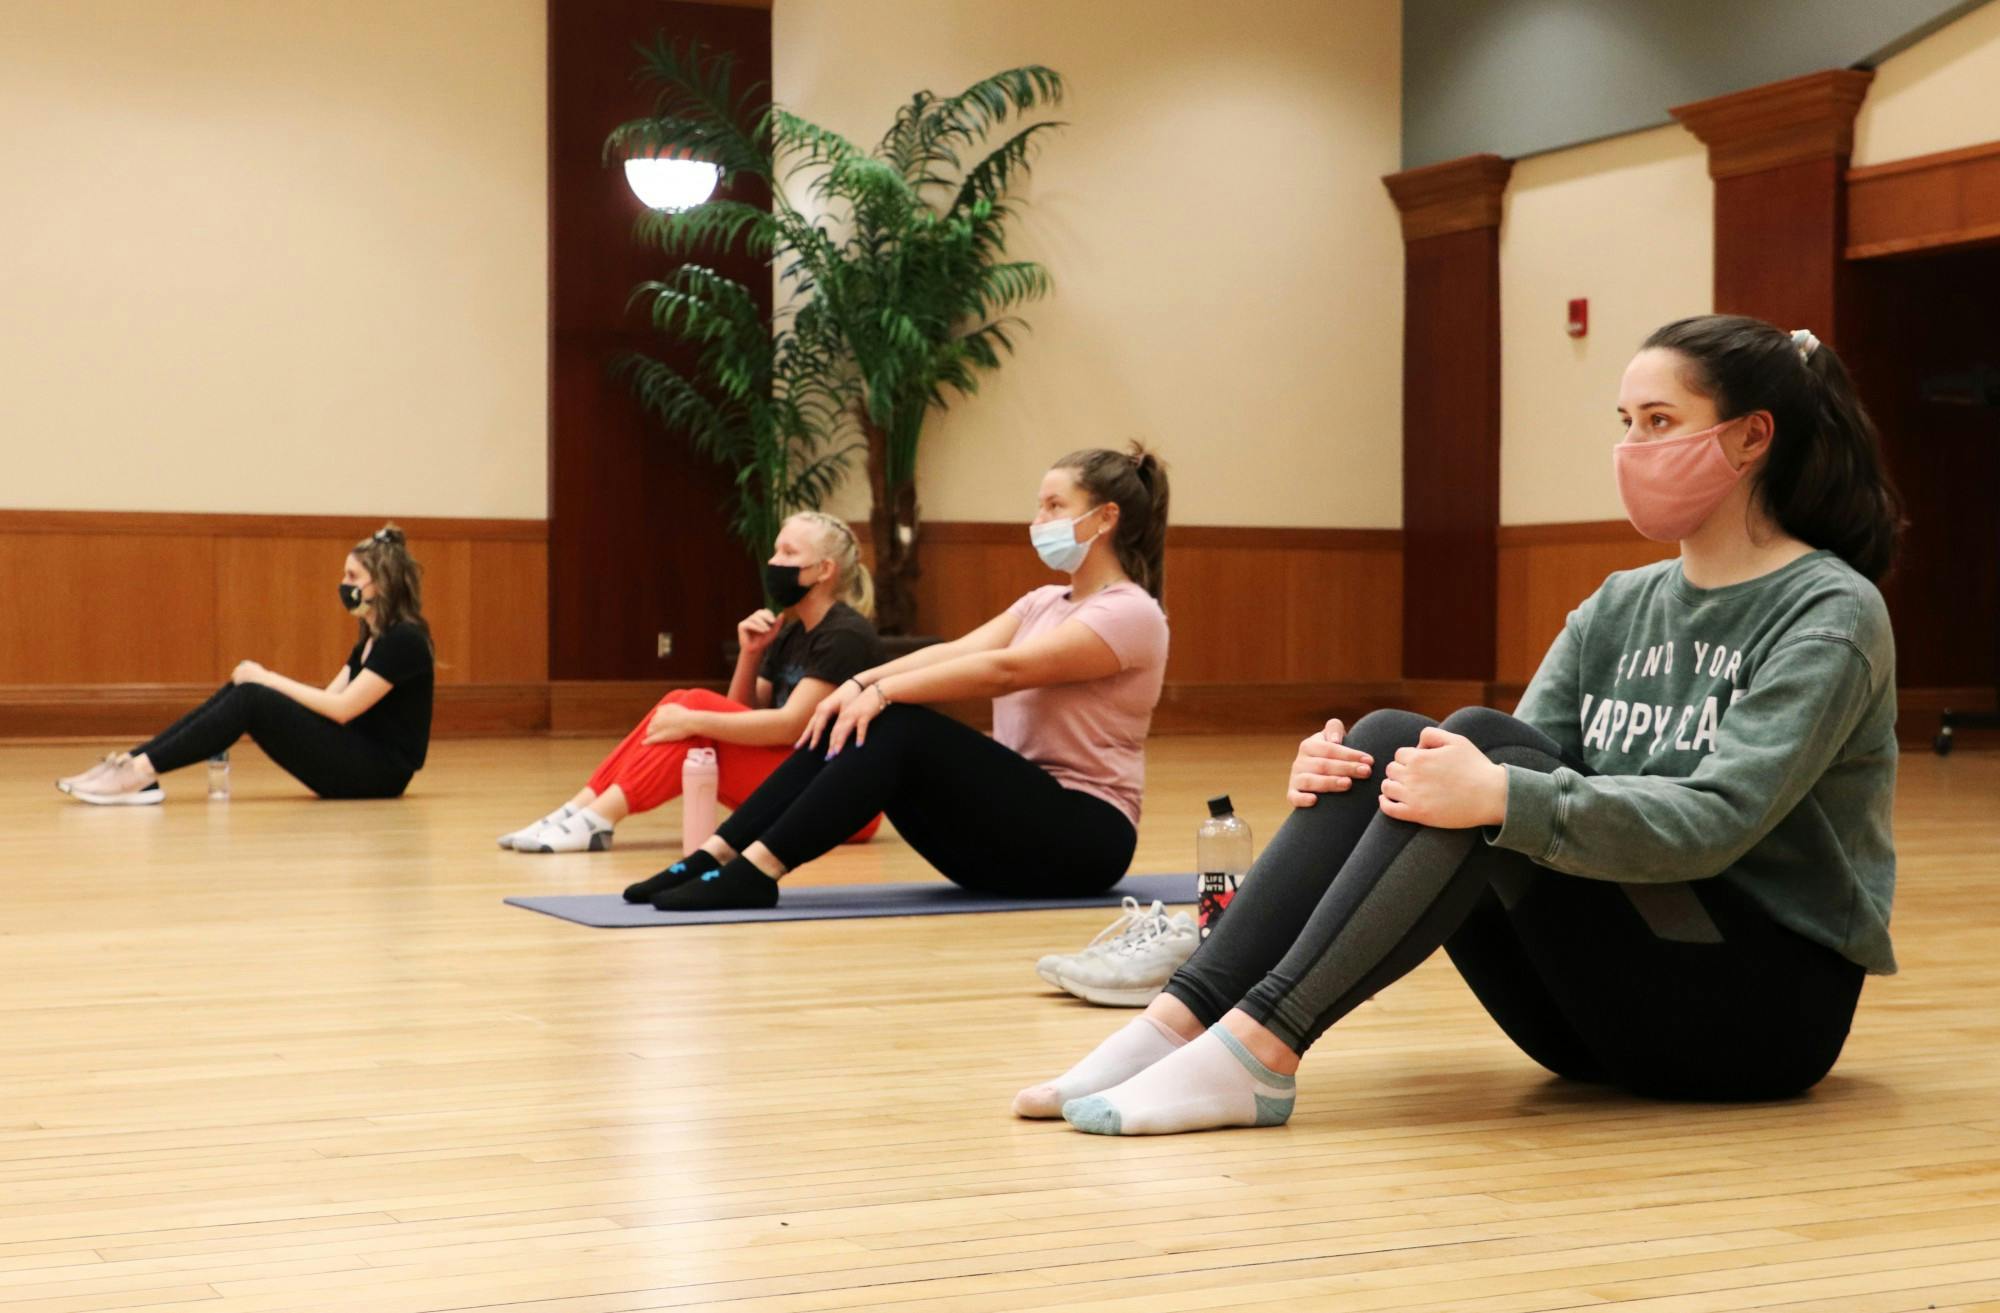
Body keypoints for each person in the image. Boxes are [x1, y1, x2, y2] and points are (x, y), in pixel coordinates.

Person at [1020, 314, 1903, 1134]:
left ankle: (1262, 1047)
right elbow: (1505, 763)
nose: (1632, 447)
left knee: (1476, 754)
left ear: (1752, 437)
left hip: (1753, 1015)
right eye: (1625, 421)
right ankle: (1179, 1023)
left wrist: (1491, 791)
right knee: (1391, 742)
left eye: (1660, 422)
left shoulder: (1829, 610)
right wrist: (1350, 790)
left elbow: (1717, 820)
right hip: (1590, 1021)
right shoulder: (1622, 603)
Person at [620, 444, 1173, 911]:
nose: (1040, 519)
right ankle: (714, 856)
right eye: (1039, 505)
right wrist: (856, 687)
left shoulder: (1130, 613)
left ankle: (757, 872)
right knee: (854, 714)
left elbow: (1004, 670)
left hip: (1084, 839)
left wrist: (882, 691)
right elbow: (953, 651)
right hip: (1009, 836)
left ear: (1105, 517)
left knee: (900, 723)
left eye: (1056, 505)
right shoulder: (1043, 601)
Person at [497, 512, 885, 853]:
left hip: (841, 803)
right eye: (775, 551)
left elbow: (790, 726)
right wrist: (750, 654)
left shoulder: (845, 635)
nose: (774, 561)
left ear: (824, 570)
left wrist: (694, 720)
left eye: (788, 553)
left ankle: (596, 819)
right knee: (683, 701)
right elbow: (743, 716)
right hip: (799, 780)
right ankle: (581, 810)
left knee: (693, 708)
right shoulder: (792, 632)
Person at [57, 525, 436, 804]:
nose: (343, 583)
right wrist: (258, 683)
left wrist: (266, 680)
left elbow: (341, 709)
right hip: (356, 760)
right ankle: (136, 762)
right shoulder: (373, 636)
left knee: (254, 696)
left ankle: (138, 774)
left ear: (381, 584)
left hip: (377, 776)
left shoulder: (406, 640)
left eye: (353, 576)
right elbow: (327, 698)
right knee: (247, 690)